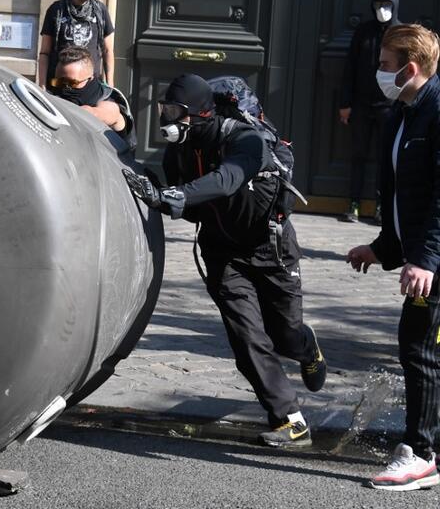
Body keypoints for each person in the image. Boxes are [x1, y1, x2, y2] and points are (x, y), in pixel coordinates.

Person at [123, 74, 326, 448]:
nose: (168, 119)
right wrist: (153, 187)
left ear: (201, 113)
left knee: (284, 336)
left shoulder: (245, 139)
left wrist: (171, 196)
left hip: (270, 248)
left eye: (175, 112)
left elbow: (227, 179)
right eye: (165, 110)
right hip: (222, 253)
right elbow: (191, 206)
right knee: (247, 339)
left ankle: (305, 346)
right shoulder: (178, 151)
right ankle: (290, 420)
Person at [346, 23, 440, 491]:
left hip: (434, 261)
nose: (378, 72)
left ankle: (421, 455)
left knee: (419, 347)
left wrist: (425, 259)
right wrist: (383, 248)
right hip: (423, 255)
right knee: (422, 346)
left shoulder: (437, 111)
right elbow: (405, 196)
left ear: (410, 67)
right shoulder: (400, 114)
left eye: (385, 65)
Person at [339, 0, 401, 224]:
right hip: (362, 105)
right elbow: (350, 69)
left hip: (389, 107)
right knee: (358, 154)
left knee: (386, 157)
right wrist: (345, 103)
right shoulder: (363, 32)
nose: (382, 9)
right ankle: (353, 203)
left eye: (387, 4)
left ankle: (381, 205)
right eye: (378, 4)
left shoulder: (400, 33)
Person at [37, 0, 115, 89]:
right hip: (60, 84)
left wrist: (110, 83)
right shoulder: (56, 10)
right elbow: (45, 52)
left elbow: (108, 50)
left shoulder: (100, 10)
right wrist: (42, 84)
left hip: (89, 85)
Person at [47, 46, 134, 149]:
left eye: (72, 83)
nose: (65, 87)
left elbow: (109, 112)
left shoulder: (107, 98)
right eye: (59, 82)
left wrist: (82, 111)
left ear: (89, 79)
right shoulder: (55, 93)